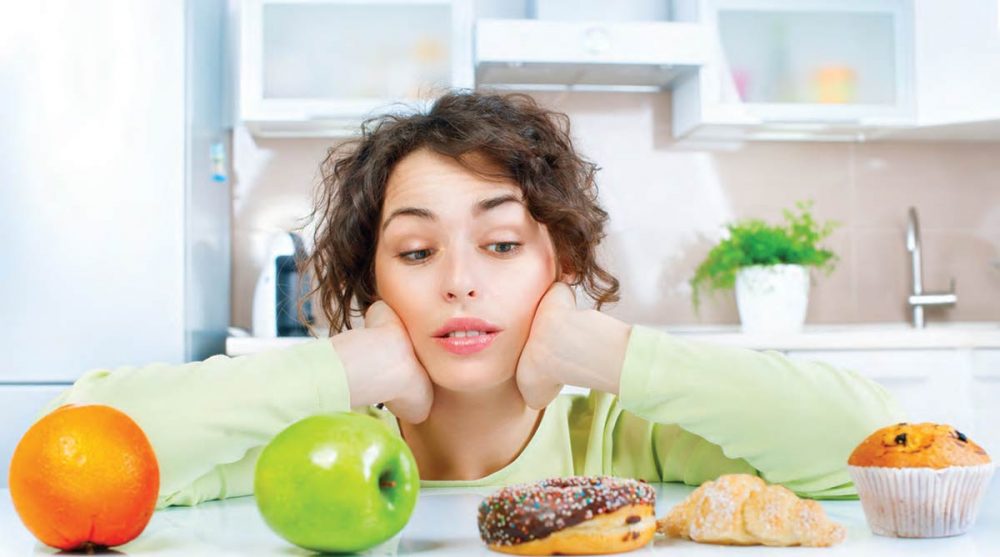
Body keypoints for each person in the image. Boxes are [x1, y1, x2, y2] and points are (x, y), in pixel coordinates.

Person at [40, 91, 905, 509]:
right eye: (416, 250)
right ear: (372, 277)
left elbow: (873, 449)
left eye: (499, 244)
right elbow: (75, 453)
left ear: (557, 261)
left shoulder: (623, 427)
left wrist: (600, 352)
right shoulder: (312, 439)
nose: (459, 279)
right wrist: (350, 365)